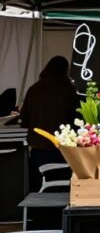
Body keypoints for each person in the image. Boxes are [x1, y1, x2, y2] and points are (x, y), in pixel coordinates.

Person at [20, 56, 79, 191]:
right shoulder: (68, 90)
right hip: (62, 147)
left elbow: (24, 119)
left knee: (38, 186)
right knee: (62, 185)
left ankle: (36, 211)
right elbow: (75, 118)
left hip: (38, 146)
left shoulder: (34, 89)